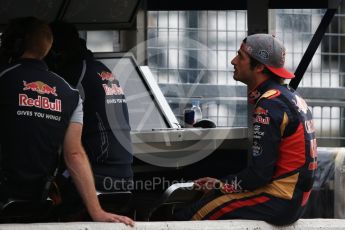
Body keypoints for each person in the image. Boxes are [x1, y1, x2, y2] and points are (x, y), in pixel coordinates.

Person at [0, 17, 134, 226]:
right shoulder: (69, 92)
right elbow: (74, 153)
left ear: (13, 45)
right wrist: (97, 212)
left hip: (8, 192)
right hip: (41, 196)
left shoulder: (5, 78)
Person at [175, 34, 317, 225]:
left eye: (240, 57)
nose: (233, 61)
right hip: (293, 201)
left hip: (278, 200)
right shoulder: (289, 97)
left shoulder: (270, 105)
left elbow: (259, 175)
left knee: (187, 217)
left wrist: (221, 186)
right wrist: (222, 183)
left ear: (259, 67)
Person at [45, 21, 133, 193]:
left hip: (96, 174)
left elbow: (51, 129)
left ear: (56, 53)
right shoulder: (102, 70)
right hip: (124, 175)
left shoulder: (73, 75)